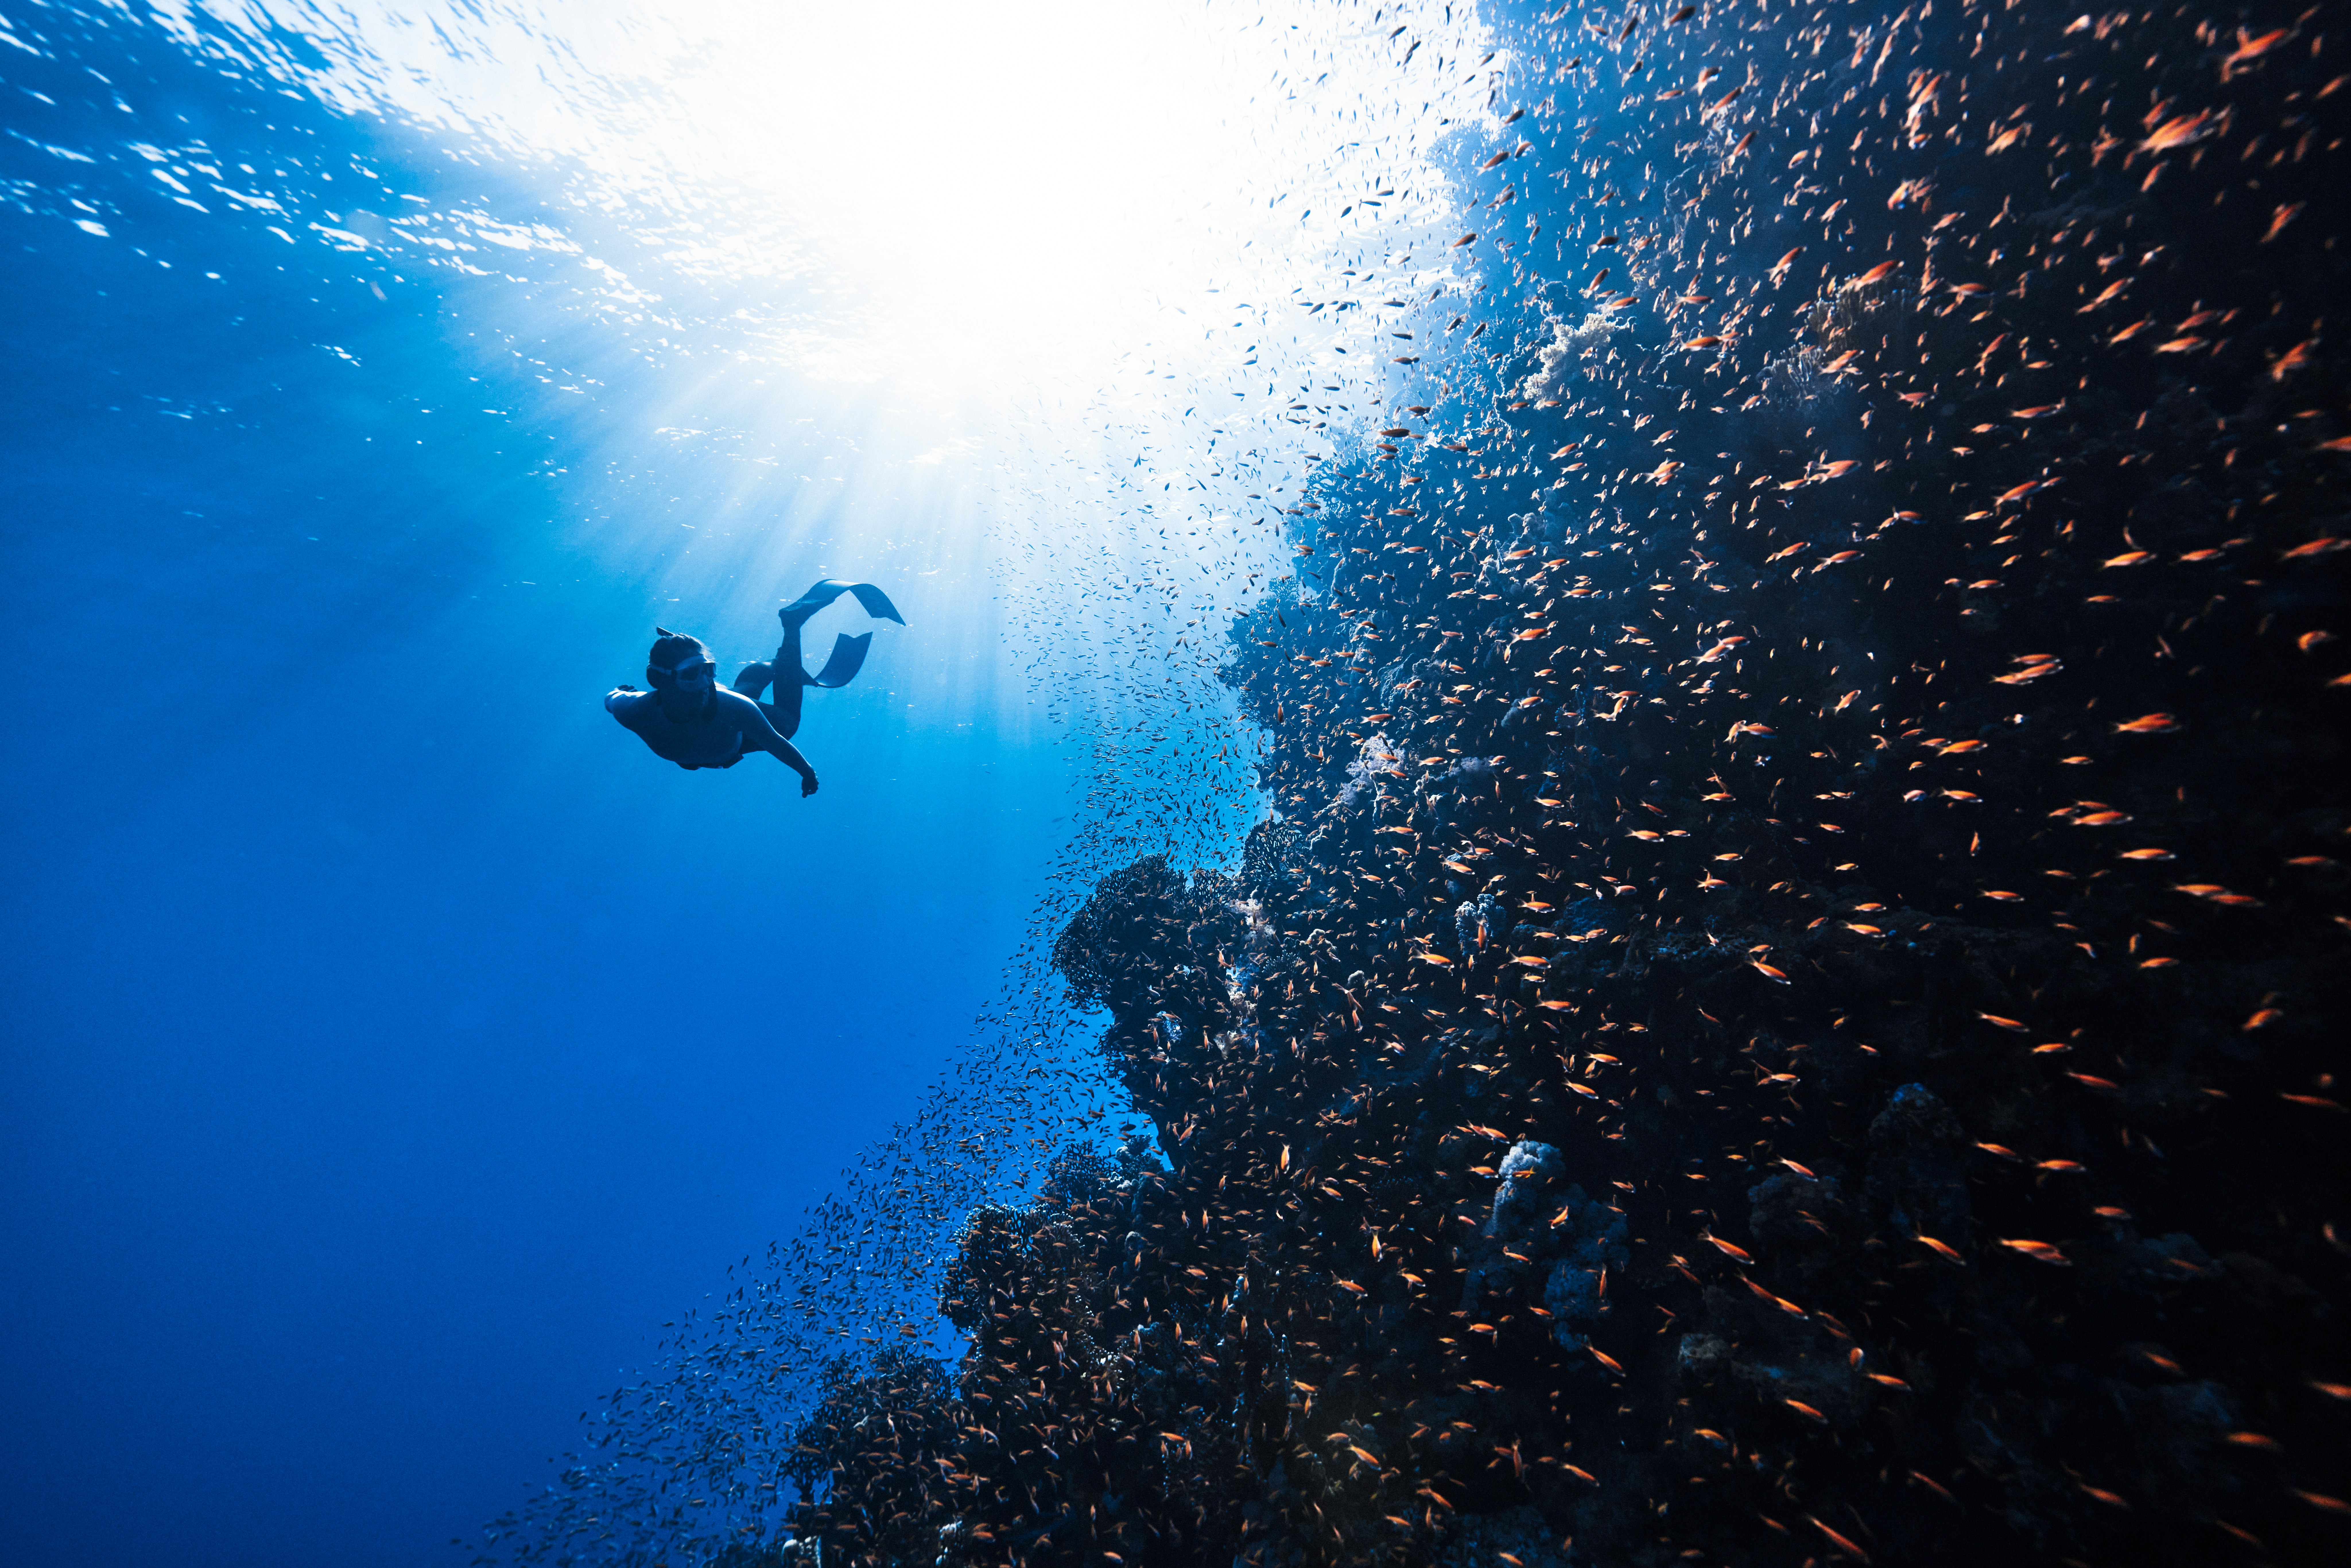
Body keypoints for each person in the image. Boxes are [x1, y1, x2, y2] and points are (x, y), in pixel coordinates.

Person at [605, 579, 903, 793]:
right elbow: (615, 698)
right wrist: (624, 692)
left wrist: (807, 772)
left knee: (785, 724)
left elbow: (775, 741)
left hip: (732, 726)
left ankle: (792, 627)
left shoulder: (729, 706)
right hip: (727, 731)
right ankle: (770, 668)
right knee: (739, 699)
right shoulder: (635, 711)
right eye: (692, 675)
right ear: (658, 681)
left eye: (710, 671)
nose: (705, 683)